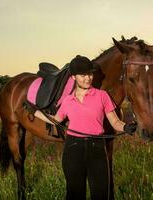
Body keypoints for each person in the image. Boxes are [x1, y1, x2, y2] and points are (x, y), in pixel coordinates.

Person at [30, 55, 137, 200]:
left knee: (101, 195)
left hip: (97, 149)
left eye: (90, 74)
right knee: (74, 195)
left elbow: (115, 122)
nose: (88, 78)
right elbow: (56, 121)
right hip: (73, 149)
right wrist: (35, 112)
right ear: (73, 77)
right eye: (83, 75)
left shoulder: (102, 96)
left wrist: (126, 127)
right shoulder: (67, 100)